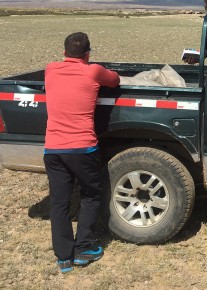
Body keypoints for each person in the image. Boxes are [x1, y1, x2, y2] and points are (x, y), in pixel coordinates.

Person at [43, 32, 120, 273]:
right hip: (82, 147)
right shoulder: (93, 70)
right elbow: (115, 80)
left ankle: (64, 257)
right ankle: (84, 247)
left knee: (59, 202)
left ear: (64, 52)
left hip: (53, 149)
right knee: (90, 195)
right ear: (87, 54)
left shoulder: (50, 69)